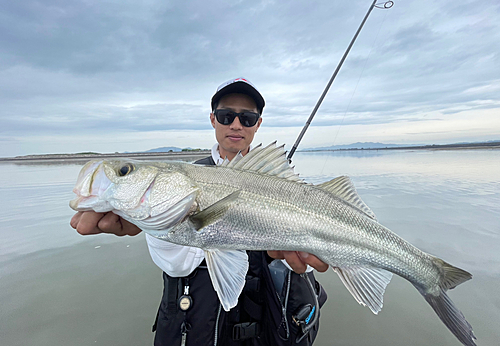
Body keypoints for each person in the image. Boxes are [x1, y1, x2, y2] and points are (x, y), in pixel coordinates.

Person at [70, 77, 329, 346]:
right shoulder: (185, 177)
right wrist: (156, 223)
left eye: (248, 118)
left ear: (258, 124)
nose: (236, 124)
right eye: (226, 115)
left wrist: (293, 259)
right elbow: (178, 264)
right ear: (213, 119)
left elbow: (300, 266)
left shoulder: (285, 186)